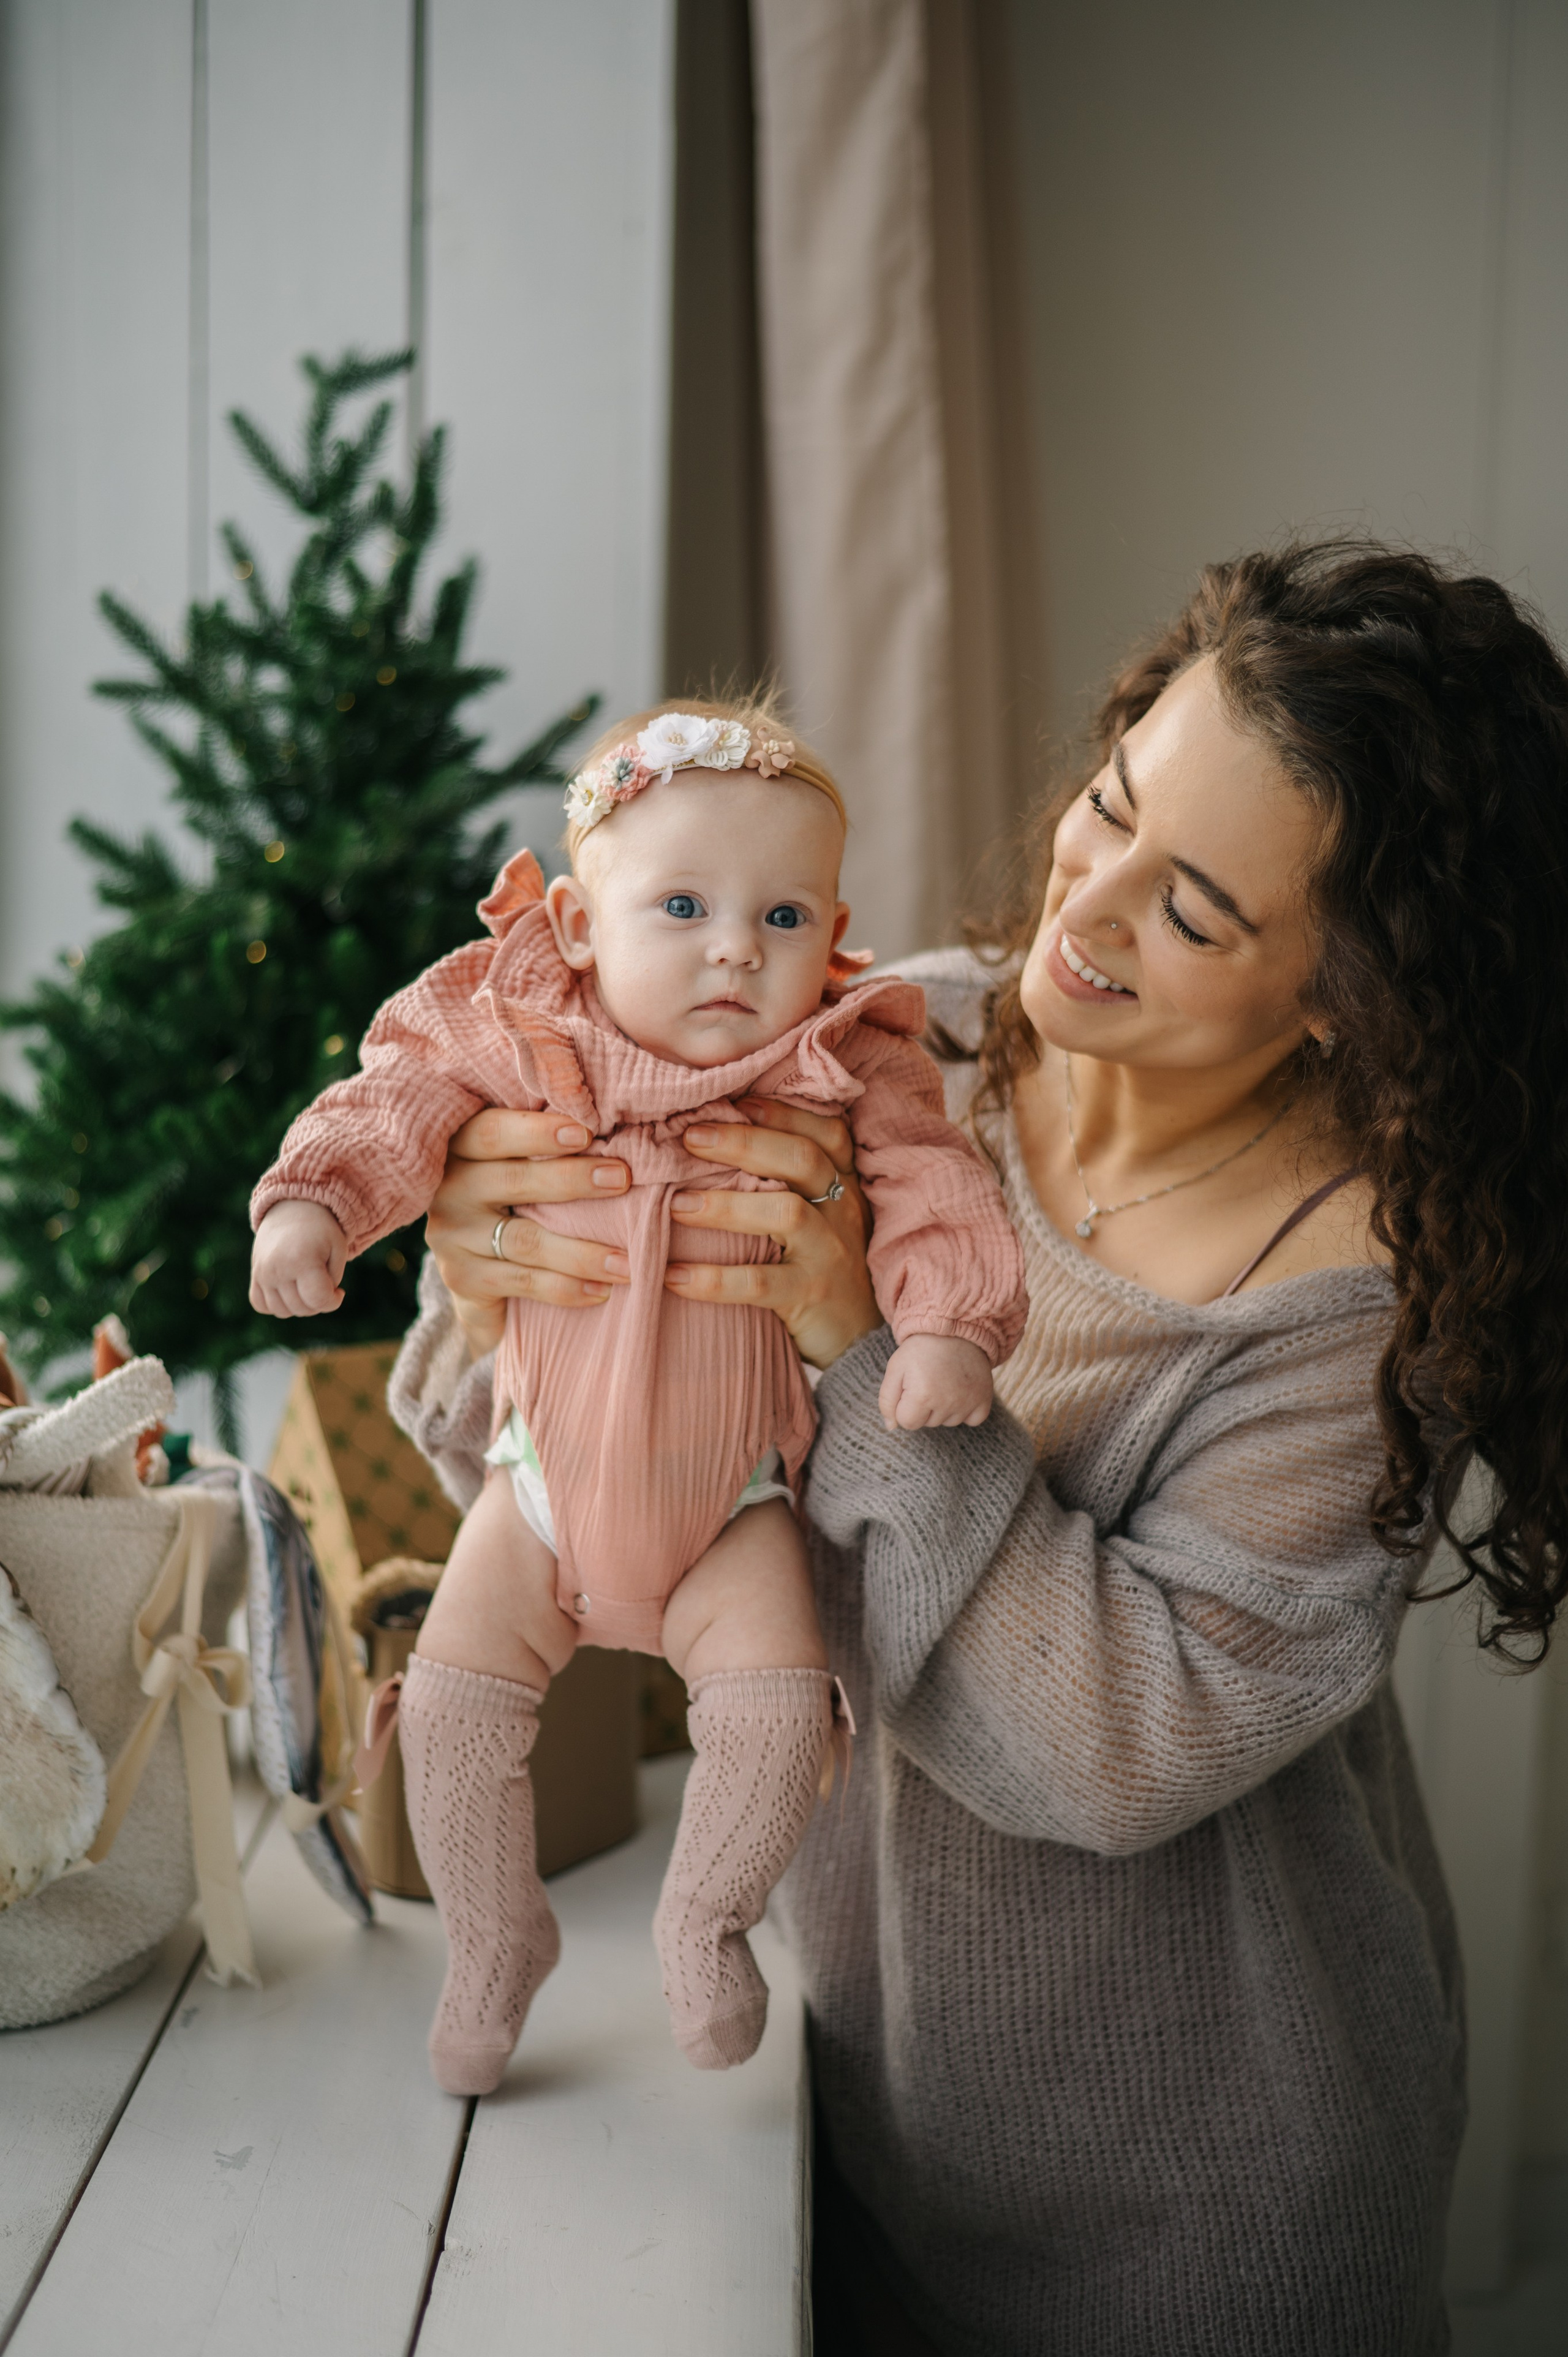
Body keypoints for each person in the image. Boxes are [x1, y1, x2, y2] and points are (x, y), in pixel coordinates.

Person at [387, 543, 1568, 2353]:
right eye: (1107, 811)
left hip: (1216, 2213)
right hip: (860, 2118)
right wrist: (498, 1254)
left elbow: (1111, 1748)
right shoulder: (893, 1038)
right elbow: (558, 1494)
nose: (1084, 911)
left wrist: (860, 1347)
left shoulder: (1350, 1304)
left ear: (1349, 992)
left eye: (1195, 913)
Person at [249, 697, 1025, 2096]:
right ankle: (495, 1940)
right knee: (449, 1709)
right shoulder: (519, 1027)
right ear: (578, 922)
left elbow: (933, 1185)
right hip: (534, 1488)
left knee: (780, 1714)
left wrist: (947, 1328)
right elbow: (394, 1096)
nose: (737, 944)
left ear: (836, 931)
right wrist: (315, 1207)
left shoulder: (844, 1062)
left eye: (784, 917)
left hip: (735, 1503)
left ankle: (702, 1921)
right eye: (683, 904)